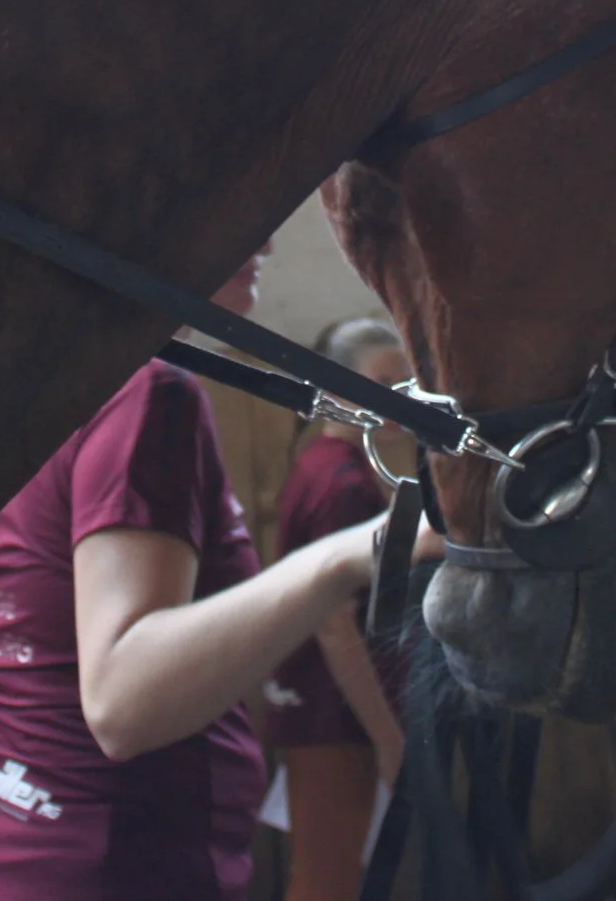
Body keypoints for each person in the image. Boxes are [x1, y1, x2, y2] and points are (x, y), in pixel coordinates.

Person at [0, 246, 411, 901]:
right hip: (104, 869)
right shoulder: (149, 390)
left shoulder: (32, 378)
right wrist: (346, 556)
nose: (265, 241)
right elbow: (123, 707)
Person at [259, 317, 412, 901]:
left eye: (405, 385)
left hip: (333, 708)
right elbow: (334, 623)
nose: (397, 400)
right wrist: (388, 737)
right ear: (334, 387)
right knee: (328, 883)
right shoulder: (341, 486)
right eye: (381, 383)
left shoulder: (329, 469)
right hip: (334, 711)